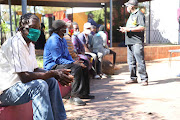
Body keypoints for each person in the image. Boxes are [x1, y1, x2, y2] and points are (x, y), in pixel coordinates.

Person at [0, 13, 73, 120]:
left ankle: (60, 118)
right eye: (33, 28)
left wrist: (56, 73)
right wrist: (53, 72)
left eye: (39, 28)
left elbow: (35, 69)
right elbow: (24, 77)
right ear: (22, 27)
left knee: (51, 81)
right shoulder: (15, 43)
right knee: (40, 85)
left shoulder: (30, 45)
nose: (37, 31)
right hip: (7, 92)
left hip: (22, 86)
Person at [43, 20, 95, 106]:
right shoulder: (53, 40)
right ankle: (74, 97)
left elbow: (67, 55)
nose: (67, 29)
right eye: (65, 28)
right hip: (53, 66)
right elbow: (58, 59)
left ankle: (84, 93)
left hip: (61, 63)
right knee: (76, 68)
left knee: (84, 64)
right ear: (60, 29)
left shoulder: (62, 39)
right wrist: (74, 64)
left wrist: (75, 61)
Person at [119, 0, 148, 86]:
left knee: (140, 61)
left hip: (136, 42)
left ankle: (144, 79)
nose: (126, 8)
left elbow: (142, 27)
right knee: (131, 62)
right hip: (130, 42)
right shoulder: (131, 15)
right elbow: (132, 27)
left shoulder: (139, 14)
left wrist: (129, 29)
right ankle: (133, 78)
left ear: (131, 6)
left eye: (127, 6)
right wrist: (125, 29)